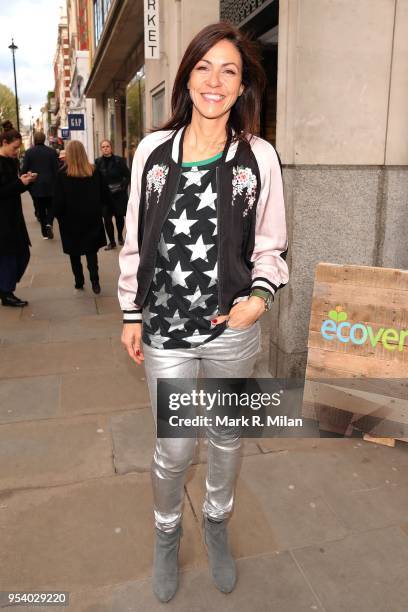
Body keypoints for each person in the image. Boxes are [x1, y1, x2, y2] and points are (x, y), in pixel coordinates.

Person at [118, 22, 289, 602]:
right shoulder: (151, 153)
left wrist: (259, 299)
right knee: (175, 446)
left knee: (226, 435)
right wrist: (130, 313)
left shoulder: (258, 158)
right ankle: (167, 533)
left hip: (230, 332)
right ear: (187, 77)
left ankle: (215, 522)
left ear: (242, 87)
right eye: (203, 67)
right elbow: (135, 241)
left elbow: (270, 243)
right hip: (165, 330)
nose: (214, 81)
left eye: (229, 70)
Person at [53, 140, 109, 294]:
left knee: (74, 252)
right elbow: (105, 195)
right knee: (91, 252)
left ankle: (79, 281)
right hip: (91, 218)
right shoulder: (94, 171)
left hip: (70, 221)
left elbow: (58, 202)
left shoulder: (62, 175)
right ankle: (95, 281)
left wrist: (57, 216)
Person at [0, 121, 37, 307]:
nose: (17, 152)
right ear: (4, 143)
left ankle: (5, 288)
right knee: (9, 256)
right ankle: (6, 293)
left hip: (14, 216)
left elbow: (13, 189)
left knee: (23, 254)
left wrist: (27, 182)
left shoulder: (12, 161)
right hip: (3, 219)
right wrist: (19, 184)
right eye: (15, 148)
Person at [22, 131, 59, 239]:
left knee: (41, 209)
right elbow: (56, 170)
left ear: (34, 140)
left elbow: (24, 170)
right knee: (51, 206)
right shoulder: (51, 152)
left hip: (36, 186)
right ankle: (49, 223)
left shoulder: (29, 152)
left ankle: (44, 231)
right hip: (50, 185)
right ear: (44, 139)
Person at [95, 140, 130, 250]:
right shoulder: (97, 162)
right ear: (101, 149)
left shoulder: (119, 161)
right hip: (105, 196)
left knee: (119, 217)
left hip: (118, 194)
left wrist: (123, 187)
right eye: (103, 147)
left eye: (107, 146)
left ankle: (120, 236)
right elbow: (96, 179)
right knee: (107, 219)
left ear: (111, 148)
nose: (105, 148)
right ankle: (112, 242)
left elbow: (128, 175)